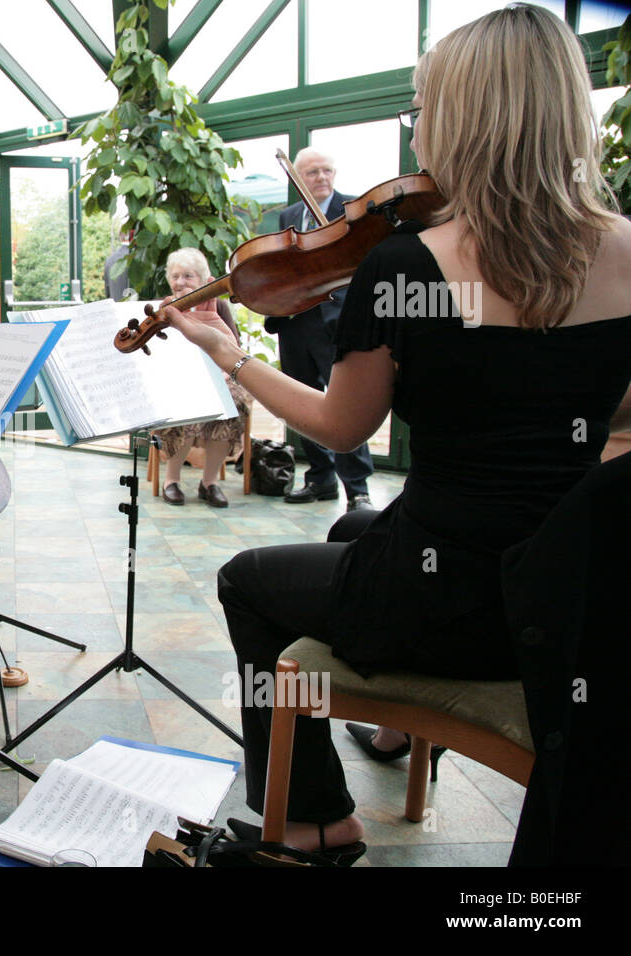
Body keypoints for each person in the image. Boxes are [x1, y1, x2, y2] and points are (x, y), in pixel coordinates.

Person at [159, 4, 631, 859]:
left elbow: (343, 426)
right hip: (571, 596)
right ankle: (389, 736)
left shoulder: (410, 262)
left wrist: (232, 357)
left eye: (424, 109)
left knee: (248, 582)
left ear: (468, 118)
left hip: (457, 599)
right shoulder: (627, 251)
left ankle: (312, 822)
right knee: (349, 527)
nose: (417, 134)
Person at [264, 148, 374, 511]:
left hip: (337, 319)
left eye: (327, 170)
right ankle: (320, 479)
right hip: (296, 321)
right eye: (312, 172)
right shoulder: (290, 215)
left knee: (345, 403)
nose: (321, 178)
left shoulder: (353, 208)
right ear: (297, 178)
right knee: (301, 401)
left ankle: (357, 488)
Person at [152, 248, 250, 508]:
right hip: (177, 379)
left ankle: (210, 483)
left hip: (215, 378)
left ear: (204, 280)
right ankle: (171, 480)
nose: (180, 282)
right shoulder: (165, 309)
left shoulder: (219, 307)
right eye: (175, 276)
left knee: (233, 403)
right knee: (187, 406)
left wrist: (224, 374)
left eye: (188, 276)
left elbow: (233, 347)